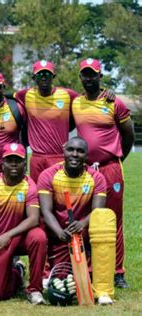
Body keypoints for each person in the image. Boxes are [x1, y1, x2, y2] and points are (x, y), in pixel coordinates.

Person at [72, 58, 135, 288]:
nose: (89, 78)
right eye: (85, 74)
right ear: (81, 77)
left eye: (93, 74)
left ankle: (117, 272)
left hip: (110, 168)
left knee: (113, 219)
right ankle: (88, 268)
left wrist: (117, 158)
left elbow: (128, 135)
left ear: (100, 77)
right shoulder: (75, 103)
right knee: (86, 217)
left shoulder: (113, 102)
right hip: (86, 169)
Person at [38, 137, 118, 304]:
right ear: (64, 151)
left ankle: (101, 284)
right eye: (71, 150)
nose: (75, 154)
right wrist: (60, 232)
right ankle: (47, 272)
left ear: (86, 155)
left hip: (84, 232)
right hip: (58, 233)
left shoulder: (96, 178)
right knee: (62, 279)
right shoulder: (48, 175)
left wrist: (82, 223)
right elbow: (45, 211)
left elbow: (97, 211)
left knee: (102, 225)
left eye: (80, 151)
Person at [0, 143, 46, 304]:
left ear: (24, 164)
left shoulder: (30, 186)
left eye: (18, 160)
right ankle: (17, 273)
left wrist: (9, 235)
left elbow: (33, 218)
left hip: (21, 239)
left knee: (39, 236)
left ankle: (34, 289)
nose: (13, 164)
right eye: (9, 160)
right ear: (2, 163)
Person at [13, 60, 79, 183]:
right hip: (37, 158)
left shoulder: (67, 95)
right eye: (40, 75)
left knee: (60, 197)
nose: (44, 78)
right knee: (38, 198)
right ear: (34, 78)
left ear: (53, 77)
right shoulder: (26, 95)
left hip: (59, 156)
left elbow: (88, 100)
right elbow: (5, 95)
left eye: (47, 74)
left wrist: (105, 93)